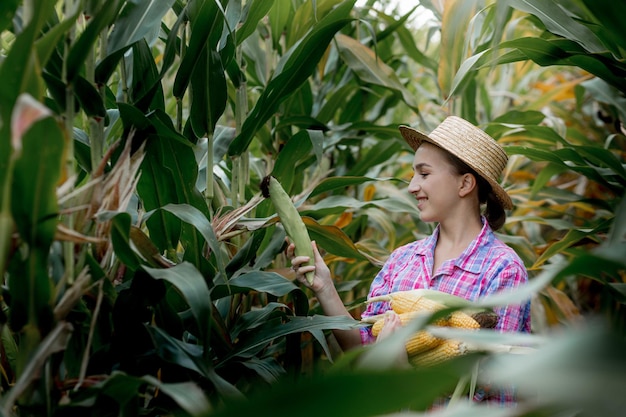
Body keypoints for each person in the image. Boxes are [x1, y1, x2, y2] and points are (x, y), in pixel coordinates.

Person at [288, 115, 531, 403]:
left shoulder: (502, 269)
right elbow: (363, 352)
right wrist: (325, 288)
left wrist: (403, 373)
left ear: (465, 184)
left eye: (424, 174)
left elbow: (495, 388)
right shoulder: (402, 260)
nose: (412, 186)